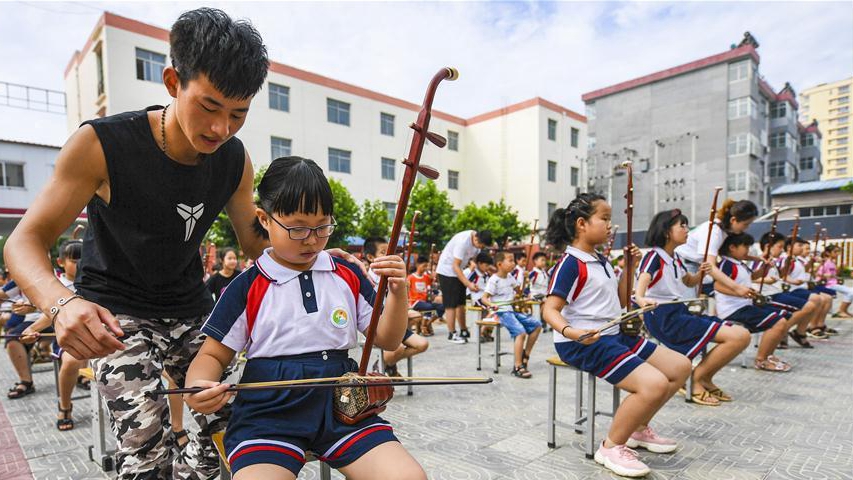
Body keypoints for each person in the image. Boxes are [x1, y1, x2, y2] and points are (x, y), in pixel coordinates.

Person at [3, 9, 359, 478]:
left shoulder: (234, 160)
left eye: (238, 114)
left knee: (236, 430)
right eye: (209, 107)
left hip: (193, 311)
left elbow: (255, 243)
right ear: (173, 82)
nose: (220, 129)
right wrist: (60, 304)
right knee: (146, 456)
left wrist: (312, 249)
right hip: (116, 316)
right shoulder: (103, 143)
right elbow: (25, 240)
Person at [184, 157, 426, 480]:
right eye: (297, 228)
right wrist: (198, 388)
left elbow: (388, 338)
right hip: (267, 413)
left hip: (342, 407)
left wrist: (398, 292)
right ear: (264, 219)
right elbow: (212, 355)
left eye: (323, 226)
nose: (312, 239)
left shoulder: (347, 273)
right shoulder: (246, 286)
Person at [542, 193, 691, 478]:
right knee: (654, 384)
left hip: (612, 334)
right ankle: (611, 446)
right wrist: (572, 332)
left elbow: (621, 301)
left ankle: (637, 428)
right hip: (582, 342)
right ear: (582, 224)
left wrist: (629, 267)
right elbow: (550, 309)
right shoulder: (571, 263)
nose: (611, 225)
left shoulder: (600, 260)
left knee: (680, 367)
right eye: (605, 219)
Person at [633, 209, 751, 406]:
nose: (687, 230)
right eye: (682, 225)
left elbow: (688, 281)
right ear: (666, 232)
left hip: (677, 311)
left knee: (741, 334)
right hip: (662, 316)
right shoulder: (654, 256)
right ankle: (697, 379)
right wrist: (640, 298)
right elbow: (643, 279)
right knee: (738, 336)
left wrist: (701, 275)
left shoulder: (676, 258)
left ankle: (704, 378)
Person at [716, 233, 792, 372]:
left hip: (745, 306)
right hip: (733, 309)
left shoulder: (739, 264)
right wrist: (739, 292)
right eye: (745, 246)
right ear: (732, 247)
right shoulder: (726, 264)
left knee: (784, 315)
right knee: (778, 322)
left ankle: (769, 355)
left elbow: (752, 276)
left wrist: (765, 268)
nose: (748, 250)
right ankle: (761, 360)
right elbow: (718, 286)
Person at [675, 199, 759, 299]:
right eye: (745, 224)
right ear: (733, 220)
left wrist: (756, 259)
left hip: (699, 266)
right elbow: (710, 267)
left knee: (699, 305)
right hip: (685, 264)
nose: (747, 228)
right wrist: (737, 288)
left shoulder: (724, 231)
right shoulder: (714, 232)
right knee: (690, 304)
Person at [480, 251, 542, 378]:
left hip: (511, 311)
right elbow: (484, 298)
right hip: (502, 312)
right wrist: (491, 305)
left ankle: (525, 355)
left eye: (514, 260)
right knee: (520, 332)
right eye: (510, 260)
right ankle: (517, 366)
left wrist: (525, 279)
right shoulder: (494, 280)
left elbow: (519, 292)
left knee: (537, 325)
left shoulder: (510, 278)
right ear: (499, 264)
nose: (513, 263)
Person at [754, 232, 820, 348]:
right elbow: (753, 278)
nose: (782, 250)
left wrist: (787, 264)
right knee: (810, 305)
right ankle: (783, 333)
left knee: (812, 304)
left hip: (777, 292)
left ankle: (793, 332)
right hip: (767, 295)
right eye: (779, 247)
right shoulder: (760, 260)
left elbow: (780, 275)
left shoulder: (773, 260)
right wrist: (766, 279)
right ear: (767, 247)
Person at [436, 229, 493, 343]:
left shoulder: (477, 242)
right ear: (476, 239)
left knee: (461, 303)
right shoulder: (462, 242)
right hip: (447, 271)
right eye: (480, 245)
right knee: (451, 304)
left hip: (459, 271)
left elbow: (474, 259)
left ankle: (463, 330)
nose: (481, 248)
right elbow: (455, 266)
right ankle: (452, 333)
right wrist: (468, 284)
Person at [407, 256, 444, 336]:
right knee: (429, 307)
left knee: (442, 307)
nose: (425, 268)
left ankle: (427, 324)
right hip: (415, 302)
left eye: (426, 266)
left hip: (426, 301)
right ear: (417, 265)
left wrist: (433, 276)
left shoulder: (427, 277)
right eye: (424, 266)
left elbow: (435, 282)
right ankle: (424, 326)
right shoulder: (410, 277)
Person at [818, 245, 853, 318]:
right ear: (828, 253)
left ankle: (844, 310)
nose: (837, 254)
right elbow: (818, 274)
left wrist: (838, 275)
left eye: (838, 252)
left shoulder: (832, 262)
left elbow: (833, 274)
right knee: (851, 292)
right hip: (828, 284)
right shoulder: (825, 262)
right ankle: (841, 310)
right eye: (835, 252)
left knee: (850, 291)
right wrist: (825, 275)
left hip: (833, 283)